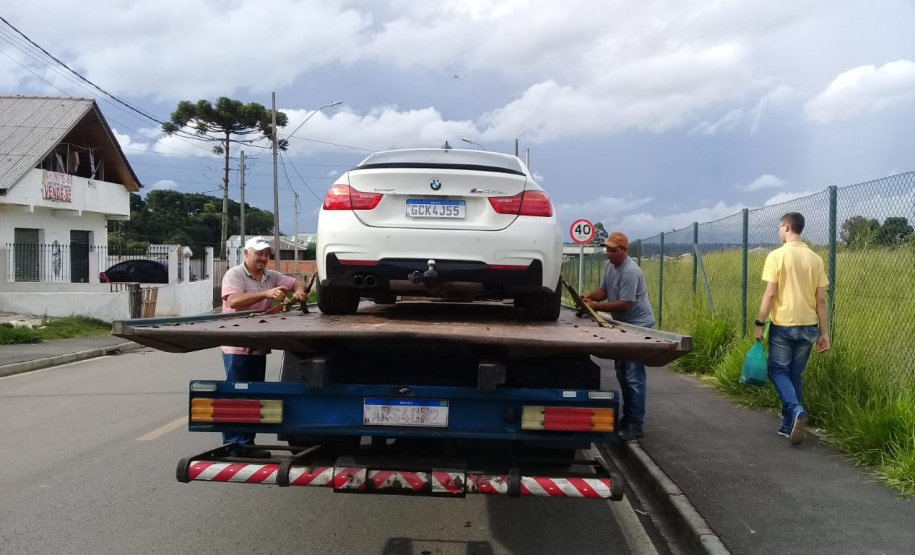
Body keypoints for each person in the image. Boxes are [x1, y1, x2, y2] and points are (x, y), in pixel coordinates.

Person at [220, 236, 308, 456]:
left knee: (254, 395)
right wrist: (266, 293)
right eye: (259, 253)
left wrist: (299, 290)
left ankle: (247, 445)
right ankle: (234, 446)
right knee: (237, 395)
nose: (263, 258)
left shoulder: (271, 275)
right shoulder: (235, 274)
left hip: (258, 344)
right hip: (237, 345)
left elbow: (296, 282)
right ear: (246, 253)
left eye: (267, 254)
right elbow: (233, 301)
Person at [755, 212, 830, 446]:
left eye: (779, 227)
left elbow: (770, 293)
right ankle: (788, 425)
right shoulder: (816, 259)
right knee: (795, 375)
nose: (779, 231)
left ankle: (796, 410)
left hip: (784, 325)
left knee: (777, 371)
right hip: (809, 326)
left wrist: (759, 324)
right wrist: (824, 332)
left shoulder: (776, 256)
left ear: (787, 227)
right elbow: (821, 300)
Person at [580, 231, 656, 442]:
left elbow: (624, 304)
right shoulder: (610, 266)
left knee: (633, 376)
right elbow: (604, 290)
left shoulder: (630, 271)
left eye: (614, 250)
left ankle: (635, 424)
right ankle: (627, 419)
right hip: (623, 326)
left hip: (638, 326)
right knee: (623, 373)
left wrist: (596, 306)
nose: (609, 254)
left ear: (624, 250)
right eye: (607, 250)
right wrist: (589, 296)